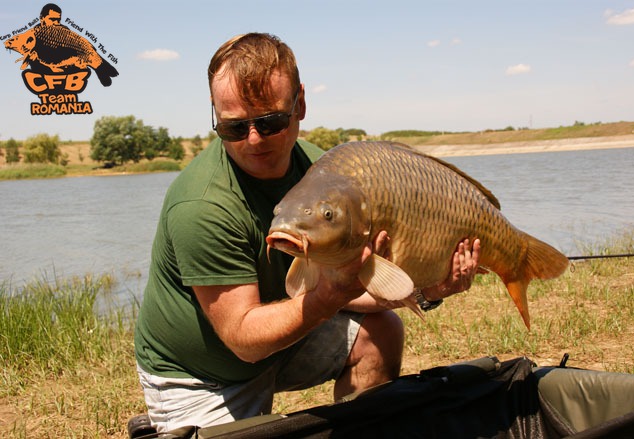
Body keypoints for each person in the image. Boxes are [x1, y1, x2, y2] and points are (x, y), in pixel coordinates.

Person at [134, 32, 481, 433]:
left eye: (270, 122)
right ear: (215, 115)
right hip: (201, 373)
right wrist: (327, 297)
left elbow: (351, 289)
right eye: (233, 127)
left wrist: (427, 291)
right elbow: (245, 339)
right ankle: (165, 424)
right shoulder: (201, 205)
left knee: (381, 329)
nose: (253, 140)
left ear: (300, 104)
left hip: (281, 341)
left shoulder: (323, 174)